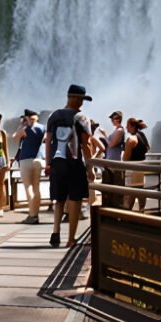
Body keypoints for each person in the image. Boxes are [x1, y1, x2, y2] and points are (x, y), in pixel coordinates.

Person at [44, 84, 94, 248]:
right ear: (73, 98)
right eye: (80, 99)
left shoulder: (54, 115)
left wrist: (48, 163)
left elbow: (49, 140)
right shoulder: (81, 118)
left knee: (59, 198)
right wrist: (90, 168)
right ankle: (71, 239)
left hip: (57, 161)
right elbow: (86, 145)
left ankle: (56, 231)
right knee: (75, 199)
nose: (81, 103)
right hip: (74, 162)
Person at [11, 109, 45, 224]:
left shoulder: (25, 129)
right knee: (37, 188)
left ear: (26, 118)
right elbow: (45, 140)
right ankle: (36, 214)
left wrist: (22, 124)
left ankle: (32, 215)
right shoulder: (42, 128)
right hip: (39, 159)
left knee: (28, 187)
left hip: (26, 159)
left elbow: (14, 137)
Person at [123, 117, 150, 210]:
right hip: (142, 167)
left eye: (127, 126)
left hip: (133, 169)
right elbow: (148, 148)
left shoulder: (131, 139)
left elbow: (125, 158)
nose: (126, 128)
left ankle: (127, 213)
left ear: (132, 126)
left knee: (131, 192)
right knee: (140, 190)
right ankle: (142, 210)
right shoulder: (142, 135)